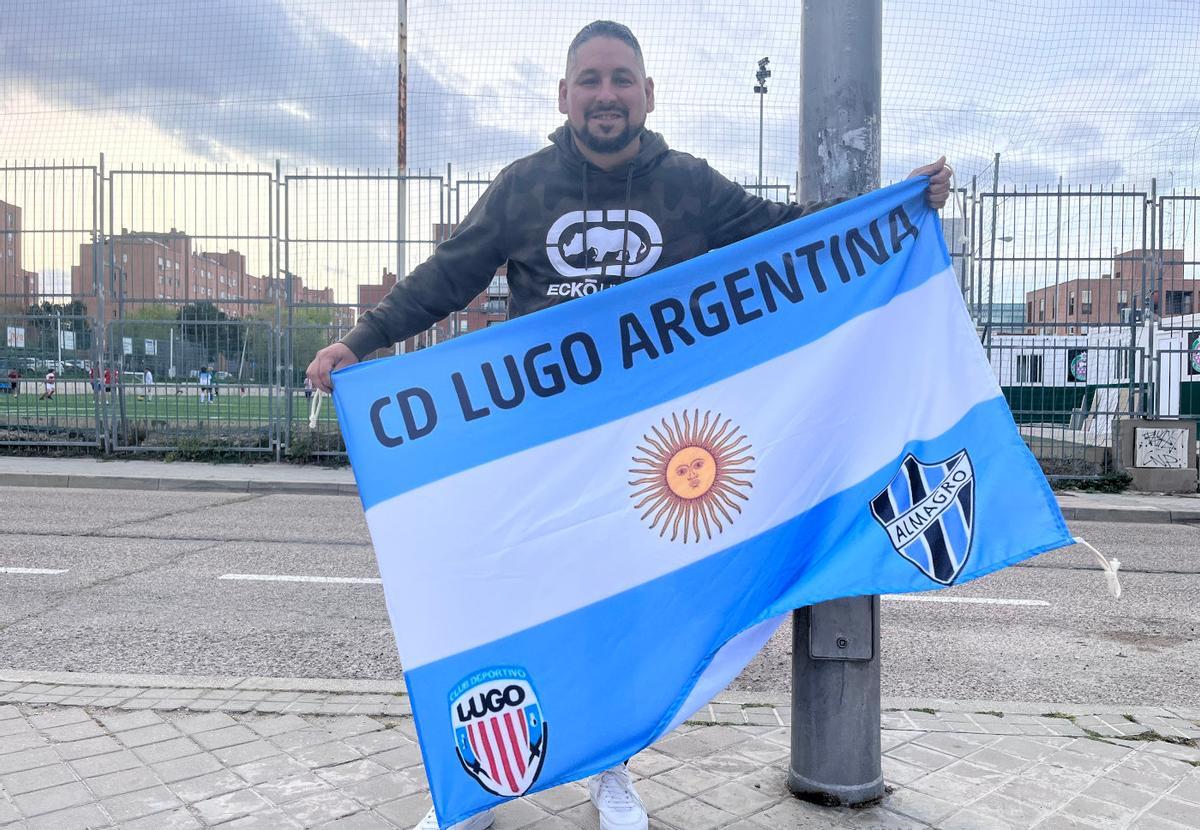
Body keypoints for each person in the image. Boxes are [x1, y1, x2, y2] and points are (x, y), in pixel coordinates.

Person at [307, 21, 951, 830]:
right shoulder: (524, 187)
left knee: (618, 618)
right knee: (505, 602)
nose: (604, 95)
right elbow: (445, 278)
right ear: (565, 94)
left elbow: (788, 230)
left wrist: (893, 209)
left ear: (648, 93)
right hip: (539, 449)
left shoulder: (687, 183)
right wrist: (359, 341)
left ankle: (611, 769)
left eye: (620, 79)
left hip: (652, 458)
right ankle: (488, 777)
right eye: (589, 80)